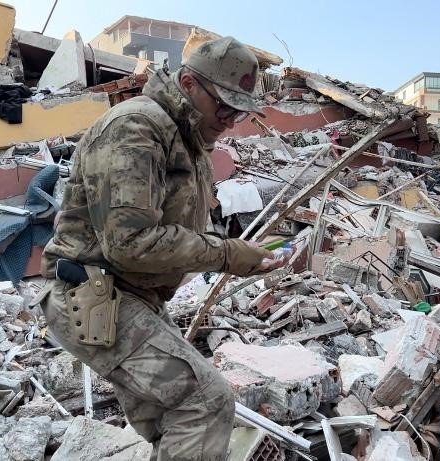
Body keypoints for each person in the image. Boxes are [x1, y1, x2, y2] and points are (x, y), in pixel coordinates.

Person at [39, 37, 286, 460]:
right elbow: (130, 243)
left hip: (133, 297)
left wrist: (236, 253)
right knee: (204, 402)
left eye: (239, 111)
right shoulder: (135, 128)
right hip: (92, 293)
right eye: (224, 106)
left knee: (171, 419)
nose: (229, 120)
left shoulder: (184, 140)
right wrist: (227, 254)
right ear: (188, 83)